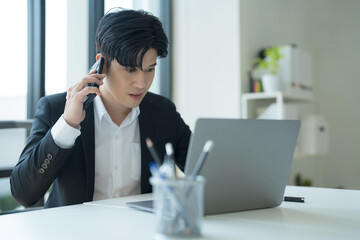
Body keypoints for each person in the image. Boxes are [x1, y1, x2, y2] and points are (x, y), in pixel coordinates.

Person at [10, 9, 191, 208]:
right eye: (130, 69)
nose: (141, 82)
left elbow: (204, 169)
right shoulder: (56, 109)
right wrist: (68, 124)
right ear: (101, 64)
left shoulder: (163, 112)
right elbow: (23, 193)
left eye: (150, 69)